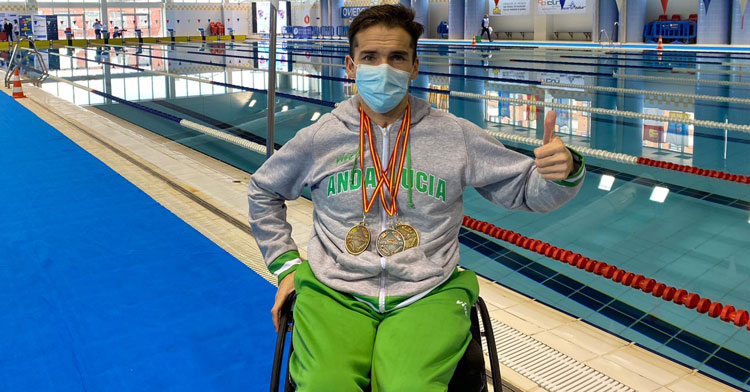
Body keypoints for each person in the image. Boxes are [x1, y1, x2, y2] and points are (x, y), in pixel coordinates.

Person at [247, 4, 584, 390]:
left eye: (397, 58)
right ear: (350, 66)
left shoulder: (454, 134)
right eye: (370, 57)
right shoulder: (321, 136)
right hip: (334, 290)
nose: (384, 68)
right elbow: (263, 189)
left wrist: (563, 173)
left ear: (414, 66)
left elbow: (526, 191)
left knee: (410, 386)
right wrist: (286, 264)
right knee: (327, 383)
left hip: (428, 292)